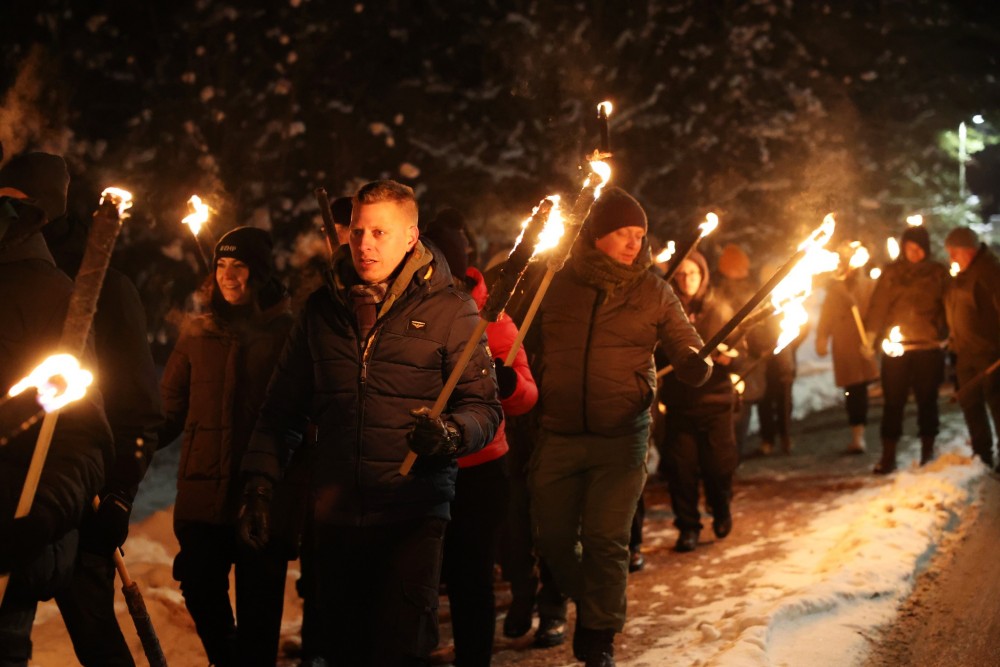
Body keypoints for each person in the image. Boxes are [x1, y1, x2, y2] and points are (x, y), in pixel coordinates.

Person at [238, 180, 502, 666]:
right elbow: (281, 410)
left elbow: (484, 408)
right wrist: (259, 484)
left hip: (412, 513)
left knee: (399, 652)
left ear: (411, 236)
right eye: (358, 231)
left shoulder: (451, 309)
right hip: (336, 516)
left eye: (380, 232)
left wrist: (450, 434)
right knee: (345, 652)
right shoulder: (322, 311)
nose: (364, 244)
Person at [526, 187, 711, 667]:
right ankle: (583, 597)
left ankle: (598, 636)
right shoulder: (556, 282)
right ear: (597, 235)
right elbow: (520, 338)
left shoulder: (653, 290)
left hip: (622, 436)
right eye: (624, 233)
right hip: (559, 432)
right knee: (551, 538)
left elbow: (686, 343)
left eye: (640, 235)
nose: (635, 243)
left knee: (607, 540)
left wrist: (695, 363)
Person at [159, 226, 296, 667]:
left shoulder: (287, 334)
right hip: (203, 492)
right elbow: (167, 411)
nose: (228, 275)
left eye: (239, 265)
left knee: (259, 612)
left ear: (261, 273)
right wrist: (127, 443)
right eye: (221, 264)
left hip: (263, 496)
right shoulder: (197, 334)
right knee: (199, 585)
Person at [0, 152, 114, 666]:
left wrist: (42, 514)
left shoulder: (56, 297)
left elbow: (81, 436)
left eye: (14, 204)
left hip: (10, 535)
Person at [40, 195, 163, 667]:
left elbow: (139, 405)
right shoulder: (13, 282)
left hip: (83, 491)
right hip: (16, 485)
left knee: (94, 632)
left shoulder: (106, 287)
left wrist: (119, 494)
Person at [423, 211, 538, 667]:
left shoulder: (493, 319)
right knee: (420, 575)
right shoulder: (412, 313)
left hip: (480, 468)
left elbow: (527, 395)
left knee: (471, 577)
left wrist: (509, 384)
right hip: (424, 465)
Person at [659, 251, 740, 553]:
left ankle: (721, 509)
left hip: (716, 402)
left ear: (703, 276)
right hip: (680, 405)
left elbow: (739, 350)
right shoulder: (666, 310)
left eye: (692, 273)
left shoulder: (719, 309)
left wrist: (728, 357)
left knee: (718, 467)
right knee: (681, 470)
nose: (686, 279)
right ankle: (688, 526)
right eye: (680, 274)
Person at [865, 224, 950, 473]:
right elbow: (879, 305)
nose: (913, 253)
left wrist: (947, 333)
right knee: (893, 401)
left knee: (927, 400)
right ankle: (888, 455)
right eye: (909, 248)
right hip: (897, 350)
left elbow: (949, 305)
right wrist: (870, 335)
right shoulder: (892, 273)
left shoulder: (938, 273)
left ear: (926, 248)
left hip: (927, 346)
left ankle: (928, 451)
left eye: (918, 248)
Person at [944, 227, 1000, 470]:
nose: (951, 258)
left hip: (990, 354)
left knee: (998, 406)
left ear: (968, 251)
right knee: (970, 404)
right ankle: (982, 455)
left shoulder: (990, 273)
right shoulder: (961, 275)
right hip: (965, 353)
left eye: (954, 253)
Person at [815, 247, 880, 454]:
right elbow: (826, 316)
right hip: (844, 346)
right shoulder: (835, 290)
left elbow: (877, 312)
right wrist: (822, 337)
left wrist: (873, 337)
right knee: (852, 390)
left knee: (860, 389)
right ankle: (857, 433)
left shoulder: (868, 285)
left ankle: (861, 432)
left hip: (863, 344)